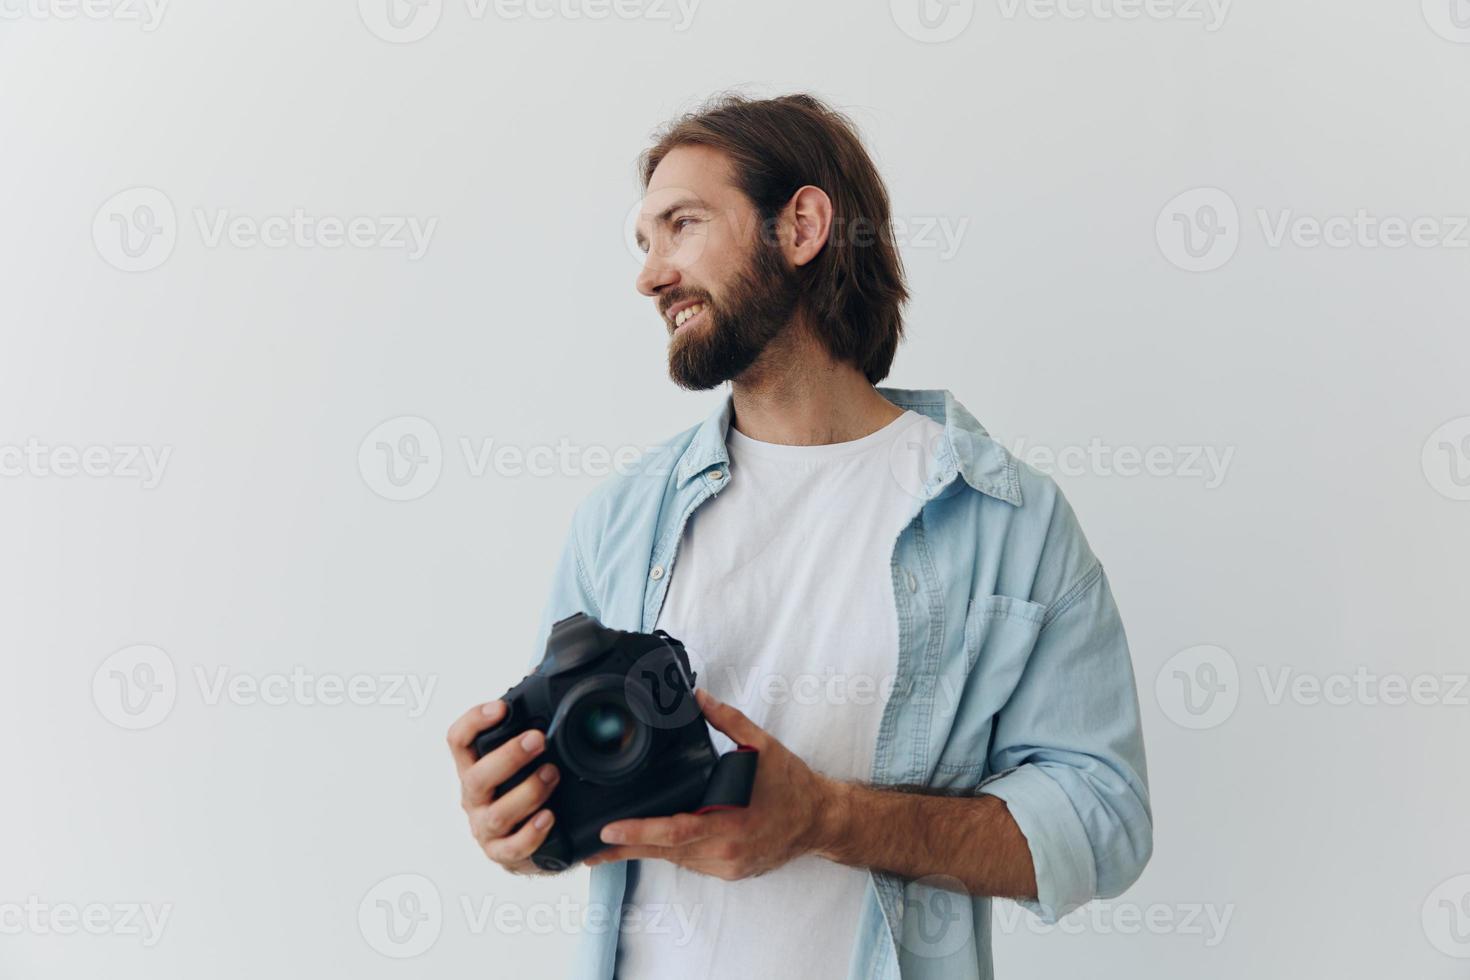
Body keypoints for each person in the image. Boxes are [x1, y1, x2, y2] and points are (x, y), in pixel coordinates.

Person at [447, 92, 1153, 980]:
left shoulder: (1008, 519)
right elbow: (568, 805)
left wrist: (827, 819)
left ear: (803, 225)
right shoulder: (620, 518)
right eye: (643, 241)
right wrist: (517, 826)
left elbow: (1107, 819)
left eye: (683, 226)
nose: (649, 274)